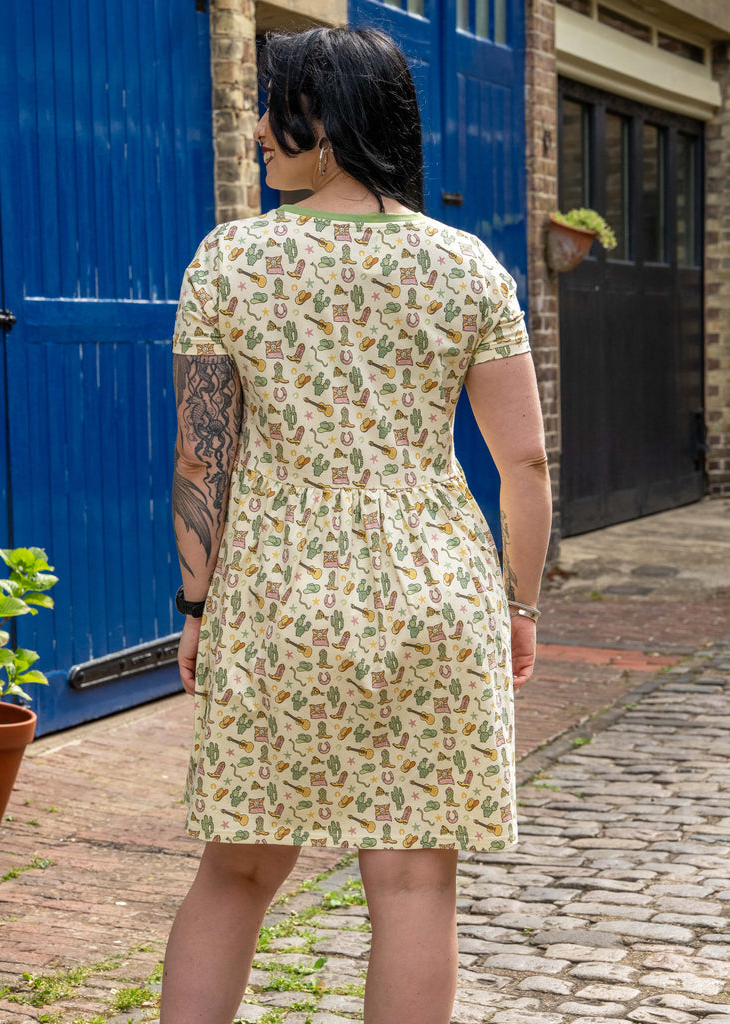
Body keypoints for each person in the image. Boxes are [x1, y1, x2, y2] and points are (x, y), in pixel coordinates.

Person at [161, 26, 552, 1024]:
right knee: (415, 886)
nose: (254, 129)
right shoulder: (468, 268)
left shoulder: (230, 261)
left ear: (324, 124)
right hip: (432, 602)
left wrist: (197, 607)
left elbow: (204, 457)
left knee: (237, 875)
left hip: (277, 600)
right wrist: (520, 603)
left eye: (274, 106)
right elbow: (525, 464)